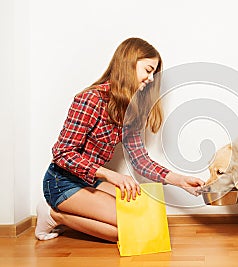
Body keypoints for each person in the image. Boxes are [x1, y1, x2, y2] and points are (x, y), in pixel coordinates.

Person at [35, 37, 205, 242]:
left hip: (90, 181)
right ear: (128, 64)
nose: (151, 78)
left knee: (144, 220)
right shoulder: (91, 100)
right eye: (148, 70)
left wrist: (180, 181)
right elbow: (62, 154)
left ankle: (63, 212)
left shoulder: (130, 109)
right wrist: (111, 176)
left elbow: (140, 161)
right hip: (61, 182)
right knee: (126, 231)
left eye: (154, 73)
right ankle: (53, 215)